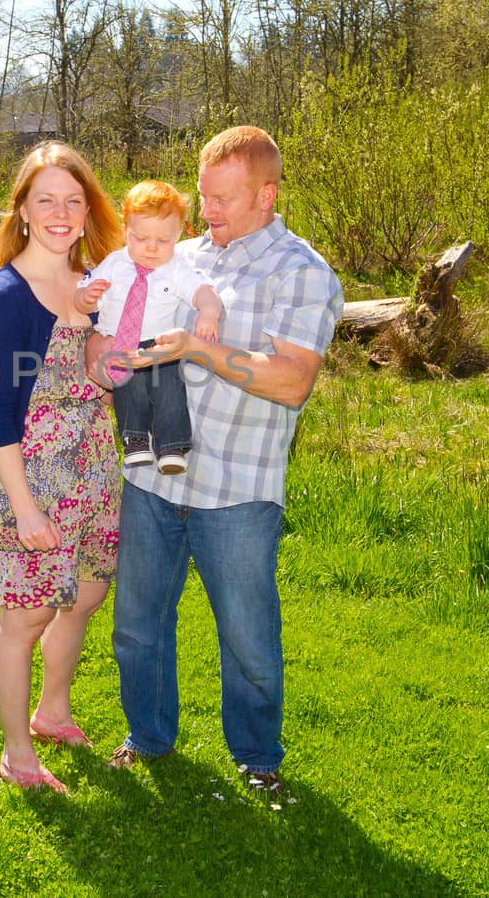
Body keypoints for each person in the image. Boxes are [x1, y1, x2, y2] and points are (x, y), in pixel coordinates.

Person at [88, 126, 344, 795]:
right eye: (203, 196)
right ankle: (148, 736)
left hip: (238, 488)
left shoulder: (303, 270)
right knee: (137, 626)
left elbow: (291, 380)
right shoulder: (182, 254)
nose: (209, 213)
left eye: (224, 199)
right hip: (150, 477)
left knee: (247, 638)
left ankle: (258, 756)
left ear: (268, 193)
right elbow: (114, 314)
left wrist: (198, 350)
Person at [0, 140, 124, 793]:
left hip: (93, 473)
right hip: (30, 481)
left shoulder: (97, 284)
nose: (60, 212)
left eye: (73, 199)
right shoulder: (6, 296)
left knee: (87, 594)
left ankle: (52, 711)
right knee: (25, 617)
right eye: (45, 200)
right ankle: (17, 755)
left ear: (88, 210)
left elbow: (104, 373)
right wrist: (25, 506)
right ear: (23, 211)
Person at [73, 180, 222, 476]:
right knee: (128, 393)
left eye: (163, 240)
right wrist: (86, 299)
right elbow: (84, 295)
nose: (152, 248)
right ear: (126, 229)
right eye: (141, 239)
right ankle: (135, 440)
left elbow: (203, 290)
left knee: (169, 391)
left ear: (178, 233)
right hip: (119, 343)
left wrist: (209, 311)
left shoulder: (177, 267)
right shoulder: (114, 264)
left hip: (159, 346)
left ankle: (173, 445)